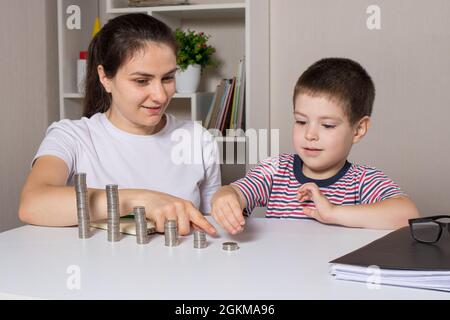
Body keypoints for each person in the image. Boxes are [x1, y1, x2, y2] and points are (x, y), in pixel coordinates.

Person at [18, 13, 220, 236]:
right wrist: (143, 200)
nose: (160, 96)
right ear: (105, 78)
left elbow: (211, 225)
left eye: (168, 78)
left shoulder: (197, 139)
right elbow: (33, 203)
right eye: (141, 81)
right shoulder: (71, 136)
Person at [211, 57, 419, 234]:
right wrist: (227, 196)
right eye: (301, 121)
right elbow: (238, 192)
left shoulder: (362, 182)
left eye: (327, 125)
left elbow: (408, 215)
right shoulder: (276, 170)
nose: (310, 134)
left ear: (358, 129)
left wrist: (333, 213)